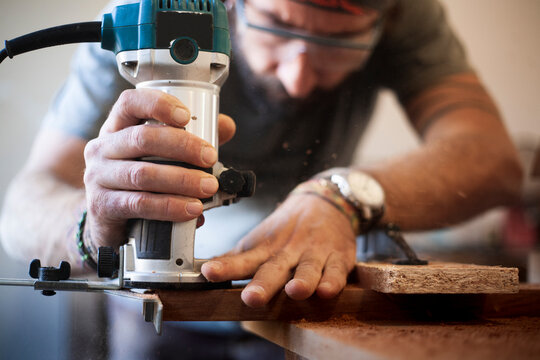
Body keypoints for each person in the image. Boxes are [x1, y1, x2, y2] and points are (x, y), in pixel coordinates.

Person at [0, 0, 523, 357]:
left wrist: (339, 195)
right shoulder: (150, 16)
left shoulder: (400, 8)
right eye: (277, 25)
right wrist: (92, 225)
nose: (298, 77)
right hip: (164, 316)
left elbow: (493, 159)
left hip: (310, 301)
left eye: (339, 45)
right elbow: (24, 204)